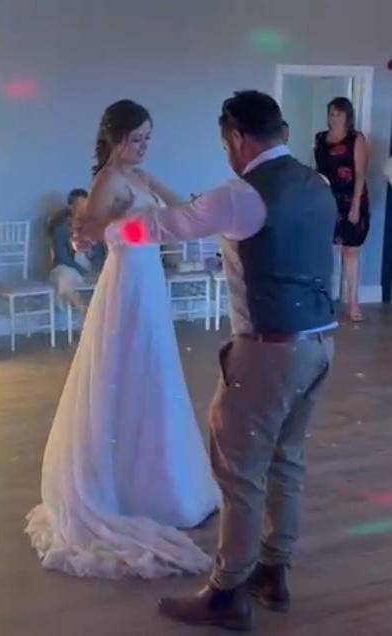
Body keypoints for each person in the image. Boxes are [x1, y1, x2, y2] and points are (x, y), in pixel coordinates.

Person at [76, 90, 336, 631]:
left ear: (238, 139)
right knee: (286, 460)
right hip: (321, 344)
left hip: (269, 350)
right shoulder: (319, 184)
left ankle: (227, 592)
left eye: (225, 143)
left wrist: (109, 231)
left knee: (238, 470)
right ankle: (274, 571)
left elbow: (162, 227)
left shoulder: (240, 195)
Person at [25, 100, 220, 582]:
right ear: (114, 139)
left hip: (149, 279)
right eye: (136, 139)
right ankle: (120, 488)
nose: (144, 146)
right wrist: (92, 232)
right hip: (128, 279)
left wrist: (171, 199)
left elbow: (179, 212)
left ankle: (162, 482)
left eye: (148, 138)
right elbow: (85, 240)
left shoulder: (140, 178)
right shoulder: (108, 181)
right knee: (126, 371)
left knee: (154, 373)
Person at [314, 97, 370, 321]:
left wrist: (355, 205)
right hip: (326, 200)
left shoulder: (356, 139)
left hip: (350, 200)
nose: (333, 117)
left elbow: (360, 173)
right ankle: (324, 300)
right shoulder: (320, 138)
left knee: (350, 251)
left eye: (338, 113)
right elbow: (316, 168)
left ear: (348, 116)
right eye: (331, 113)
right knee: (324, 253)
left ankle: (353, 303)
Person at [47, 188, 92, 311]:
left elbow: (99, 254)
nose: (83, 208)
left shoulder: (93, 226)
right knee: (65, 276)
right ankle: (81, 307)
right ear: (71, 207)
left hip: (87, 267)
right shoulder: (60, 228)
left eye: (86, 204)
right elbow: (62, 257)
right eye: (79, 205)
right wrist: (82, 271)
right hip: (66, 267)